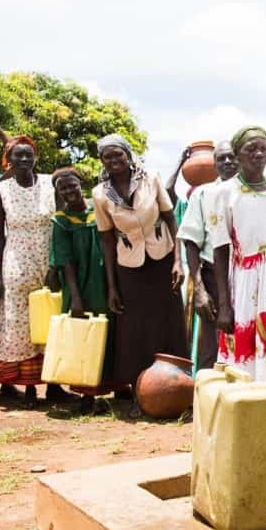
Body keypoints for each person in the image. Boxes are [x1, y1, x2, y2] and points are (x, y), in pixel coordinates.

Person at [92, 134, 187, 417]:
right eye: (108, 156)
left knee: (168, 324)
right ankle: (140, 394)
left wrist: (178, 262)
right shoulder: (100, 194)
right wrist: (112, 286)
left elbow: (171, 219)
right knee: (134, 332)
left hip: (162, 260)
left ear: (128, 154)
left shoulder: (151, 179)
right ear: (102, 161)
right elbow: (107, 240)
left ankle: (179, 391)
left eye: (118, 154)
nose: (114, 160)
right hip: (128, 267)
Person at [0, 136, 58, 406]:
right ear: (8, 160)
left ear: (35, 157)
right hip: (17, 264)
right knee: (22, 325)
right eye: (18, 156)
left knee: (51, 321)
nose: (24, 160)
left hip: (48, 262)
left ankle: (56, 383)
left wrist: (56, 265)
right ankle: (29, 388)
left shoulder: (50, 184)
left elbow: (59, 226)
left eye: (28, 155)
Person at [213, 126, 266, 381]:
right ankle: (244, 408)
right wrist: (224, 305)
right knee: (243, 353)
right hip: (244, 280)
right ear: (237, 155)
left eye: (263, 148)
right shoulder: (223, 192)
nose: (258, 154)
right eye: (251, 149)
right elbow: (220, 250)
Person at [51, 168, 114, 414]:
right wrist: (75, 297)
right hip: (78, 283)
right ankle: (86, 395)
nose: (69, 191)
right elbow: (65, 260)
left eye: (72, 185)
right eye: (62, 188)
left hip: (103, 279)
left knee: (108, 331)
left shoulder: (98, 209)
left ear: (81, 184)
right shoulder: (61, 220)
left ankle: (112, 387)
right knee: (83, 337)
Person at [177, 140, 238, 370]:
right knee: (211, 345)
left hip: (247, 276)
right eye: (221, 158)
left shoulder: (253, 193)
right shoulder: (203, 194)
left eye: (232, 156)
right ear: (214, 164)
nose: (228, 162)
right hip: (213, 277)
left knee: (245, 342)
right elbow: (191, 242)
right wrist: (200, 290)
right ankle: (204, 402)